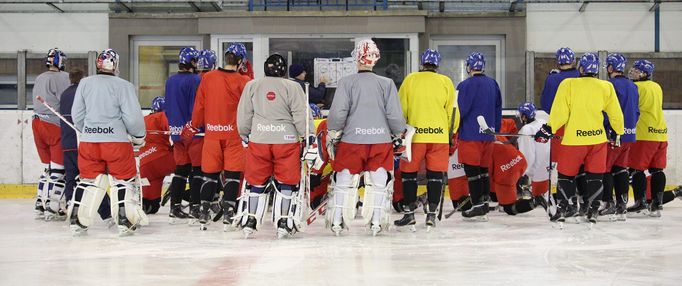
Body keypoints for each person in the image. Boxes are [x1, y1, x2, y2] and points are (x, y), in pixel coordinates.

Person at [325, 39, 406, 236]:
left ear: (356, 58)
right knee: (379, 182)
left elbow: (337, 114)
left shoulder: (346, 82)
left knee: (344, 180)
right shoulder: (386, 84)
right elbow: (395, 116)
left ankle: (337, 221)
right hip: (380, 141)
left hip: (352, 141)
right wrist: (398, 132)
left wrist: (334, 130)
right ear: (375, 59)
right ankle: (376, 221)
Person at [534, 53, 624, 225]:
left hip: (574, 140)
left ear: (581, 68)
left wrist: (548, 129)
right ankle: (593, 210)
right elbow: (616, 113)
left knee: (566, 176)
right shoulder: (606, 86)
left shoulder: (568, 84)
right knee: (595, 176)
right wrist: (618, 132)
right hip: (597, 140)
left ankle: (562, 210)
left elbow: (560, 112)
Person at [236, 54, 316, 238]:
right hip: (286, 141)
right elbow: (301, 114)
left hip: (259, 139)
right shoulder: (293, 87)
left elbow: (244, 115)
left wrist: (245, 133)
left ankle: (251, 218)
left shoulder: (252, 86)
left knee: (256, 180)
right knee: (287, 181)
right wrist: (308, 135)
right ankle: (284, 221)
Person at [69, 49, 147, 236]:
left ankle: (77, 220)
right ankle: (124, 220)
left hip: (89, 142)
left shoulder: (85, 84)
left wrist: (89, 130)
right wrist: (138, 136)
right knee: (123, 181)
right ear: (116, 65)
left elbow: (77, 115)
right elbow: (133, 118)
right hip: (116, 143)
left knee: (88, 181)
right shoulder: (124, 86)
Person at [186, 43, 251, 230]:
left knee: (209, 175)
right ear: (240, 61)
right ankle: (229, 216)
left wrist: (194, 124)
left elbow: (199, 105)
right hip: (233, 136)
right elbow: (248, 110)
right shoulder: (244, 81)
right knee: (232, 176)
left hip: (212, 135)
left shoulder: (208, 77)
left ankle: (203, 214)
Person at [394, 49, 458, 231]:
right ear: (437, 64)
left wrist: (400, 131)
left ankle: (409, 214)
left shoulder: (410, 80)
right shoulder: (446, 82)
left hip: (415, 137)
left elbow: (401, 109)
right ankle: (431, 215)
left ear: (422, 63)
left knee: (409, 175)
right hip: (439, 137)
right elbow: (453, 112)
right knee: (436, 176)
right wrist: (450, 133)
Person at [59, 69, 112, 223]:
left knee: (71, 178)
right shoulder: (84, 92)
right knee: (93, 179)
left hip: (67, 144)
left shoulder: (64, 94)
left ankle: (71, 207)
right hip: (82, 143)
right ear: (82, 79)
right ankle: (106, 213)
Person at [456, 52, 502, 221]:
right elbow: (498, 109)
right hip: (488, 135)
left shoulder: (465, 85)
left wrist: (453, 128)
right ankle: (483, 203)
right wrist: (495, 130)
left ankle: (476, 205)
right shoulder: (493, 84)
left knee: (472, 171)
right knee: (483, 170)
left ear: (469, 67)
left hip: (470, 134)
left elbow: (461, 110)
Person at [539, 47, 584, 219]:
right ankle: (585, 201)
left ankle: (568, 203)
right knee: (582, 166)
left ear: (558, 61)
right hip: (582, 125)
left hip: (560, 126)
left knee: (564, 168)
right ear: (573, 61)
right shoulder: (580, 76)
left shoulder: (553, 78)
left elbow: (546, 104)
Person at [163, 47, 203, 223]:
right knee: (197, 171)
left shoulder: (170, 81)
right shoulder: (195, 80)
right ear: (193, 62)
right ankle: (195, 207)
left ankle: (175, 207)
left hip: (176, 132)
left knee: (180, 171)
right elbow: (196, 106)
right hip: (193, 133)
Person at [598, 54, 639, 221]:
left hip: (613, 134)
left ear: (610, 68)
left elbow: (609, 111)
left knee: (606, 169)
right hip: (629, 134)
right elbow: (636, 111)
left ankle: (608, 204)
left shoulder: (609, 85)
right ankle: (622, 206)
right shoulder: (632, 85)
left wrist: (606, 128)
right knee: (621, 169)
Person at [32, 48, 70, 220]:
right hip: (54, 126)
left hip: (37, 123)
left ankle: (40, 202)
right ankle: (52, 206)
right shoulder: (62, 77)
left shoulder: (40, 77)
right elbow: (68, 99)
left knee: (48, 167)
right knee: (58, 170)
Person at [627, 59, 668, 217]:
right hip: (661, 132)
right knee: (657, 170)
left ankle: (640, 204)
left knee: (636, 170)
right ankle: (656, 205)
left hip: (644, 133)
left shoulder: (635, 87)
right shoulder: (656, 86)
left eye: (637, 71)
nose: (633, 72)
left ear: (645, 73)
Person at [139, 96, 175, 214]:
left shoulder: (142, 119)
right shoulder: (161, 116)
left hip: (144, 165)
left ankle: (147, 203)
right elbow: (174, 130)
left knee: (152, 206)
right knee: (190, 166)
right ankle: (178, 191)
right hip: (162, 159)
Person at [516, 102, 551, 202]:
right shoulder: (542, 122)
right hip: (549, 168)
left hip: (536, 174)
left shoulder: (526, 130)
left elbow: (527, 154)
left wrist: (524, 173)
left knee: (538, 200)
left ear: (524, 117)